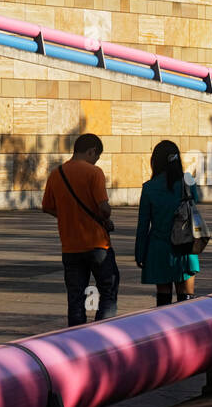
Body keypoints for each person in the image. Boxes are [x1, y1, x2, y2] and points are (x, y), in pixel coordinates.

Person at [42, 132, 119, 325]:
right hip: (97, 244)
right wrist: (106, 215)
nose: (96, 161)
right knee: (108, 291)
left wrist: (69, 215)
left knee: (75, 299)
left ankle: (77, 339)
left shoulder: (56, 173)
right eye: (97, 156)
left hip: (70, 246)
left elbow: (47, 207)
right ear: (92, 151)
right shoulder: (94, 173)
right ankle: (103, 334)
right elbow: (103, 208)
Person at [135, 140, 201, 305]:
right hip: (185, 246)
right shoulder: (188, 183)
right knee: (186, 300)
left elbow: (143, 225)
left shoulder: (149, 188)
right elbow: (194, 206)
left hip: (159, 249)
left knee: (163, 301)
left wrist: (140, 253)